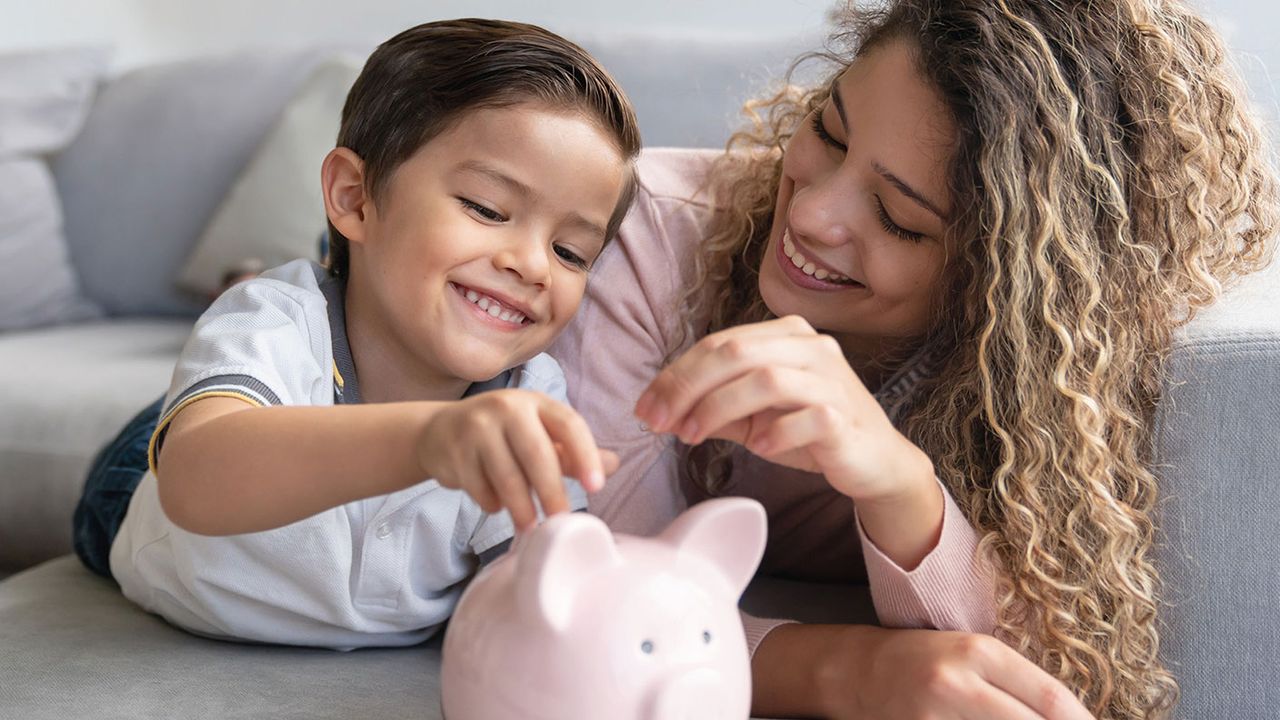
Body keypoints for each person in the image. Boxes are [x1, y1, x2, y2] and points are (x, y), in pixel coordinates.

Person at [549, 0, 1278, 718]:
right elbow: (603, 615)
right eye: (830, 134)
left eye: (898, 220)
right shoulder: (642, 240)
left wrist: (899, 483)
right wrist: (851, 671)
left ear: (1000, 278)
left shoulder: (1048, 379)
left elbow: (1052, 656)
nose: (807, 214)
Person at [78, 18, 641, 649]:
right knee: (231, 355)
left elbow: (543, 600)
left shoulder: (531, 398)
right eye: (486, 209)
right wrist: (429, 440)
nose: (532, 264)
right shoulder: (277, 322)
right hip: (146, 490)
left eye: (570, 252)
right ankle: (246, 315)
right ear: (353, 195)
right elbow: (192, 478)